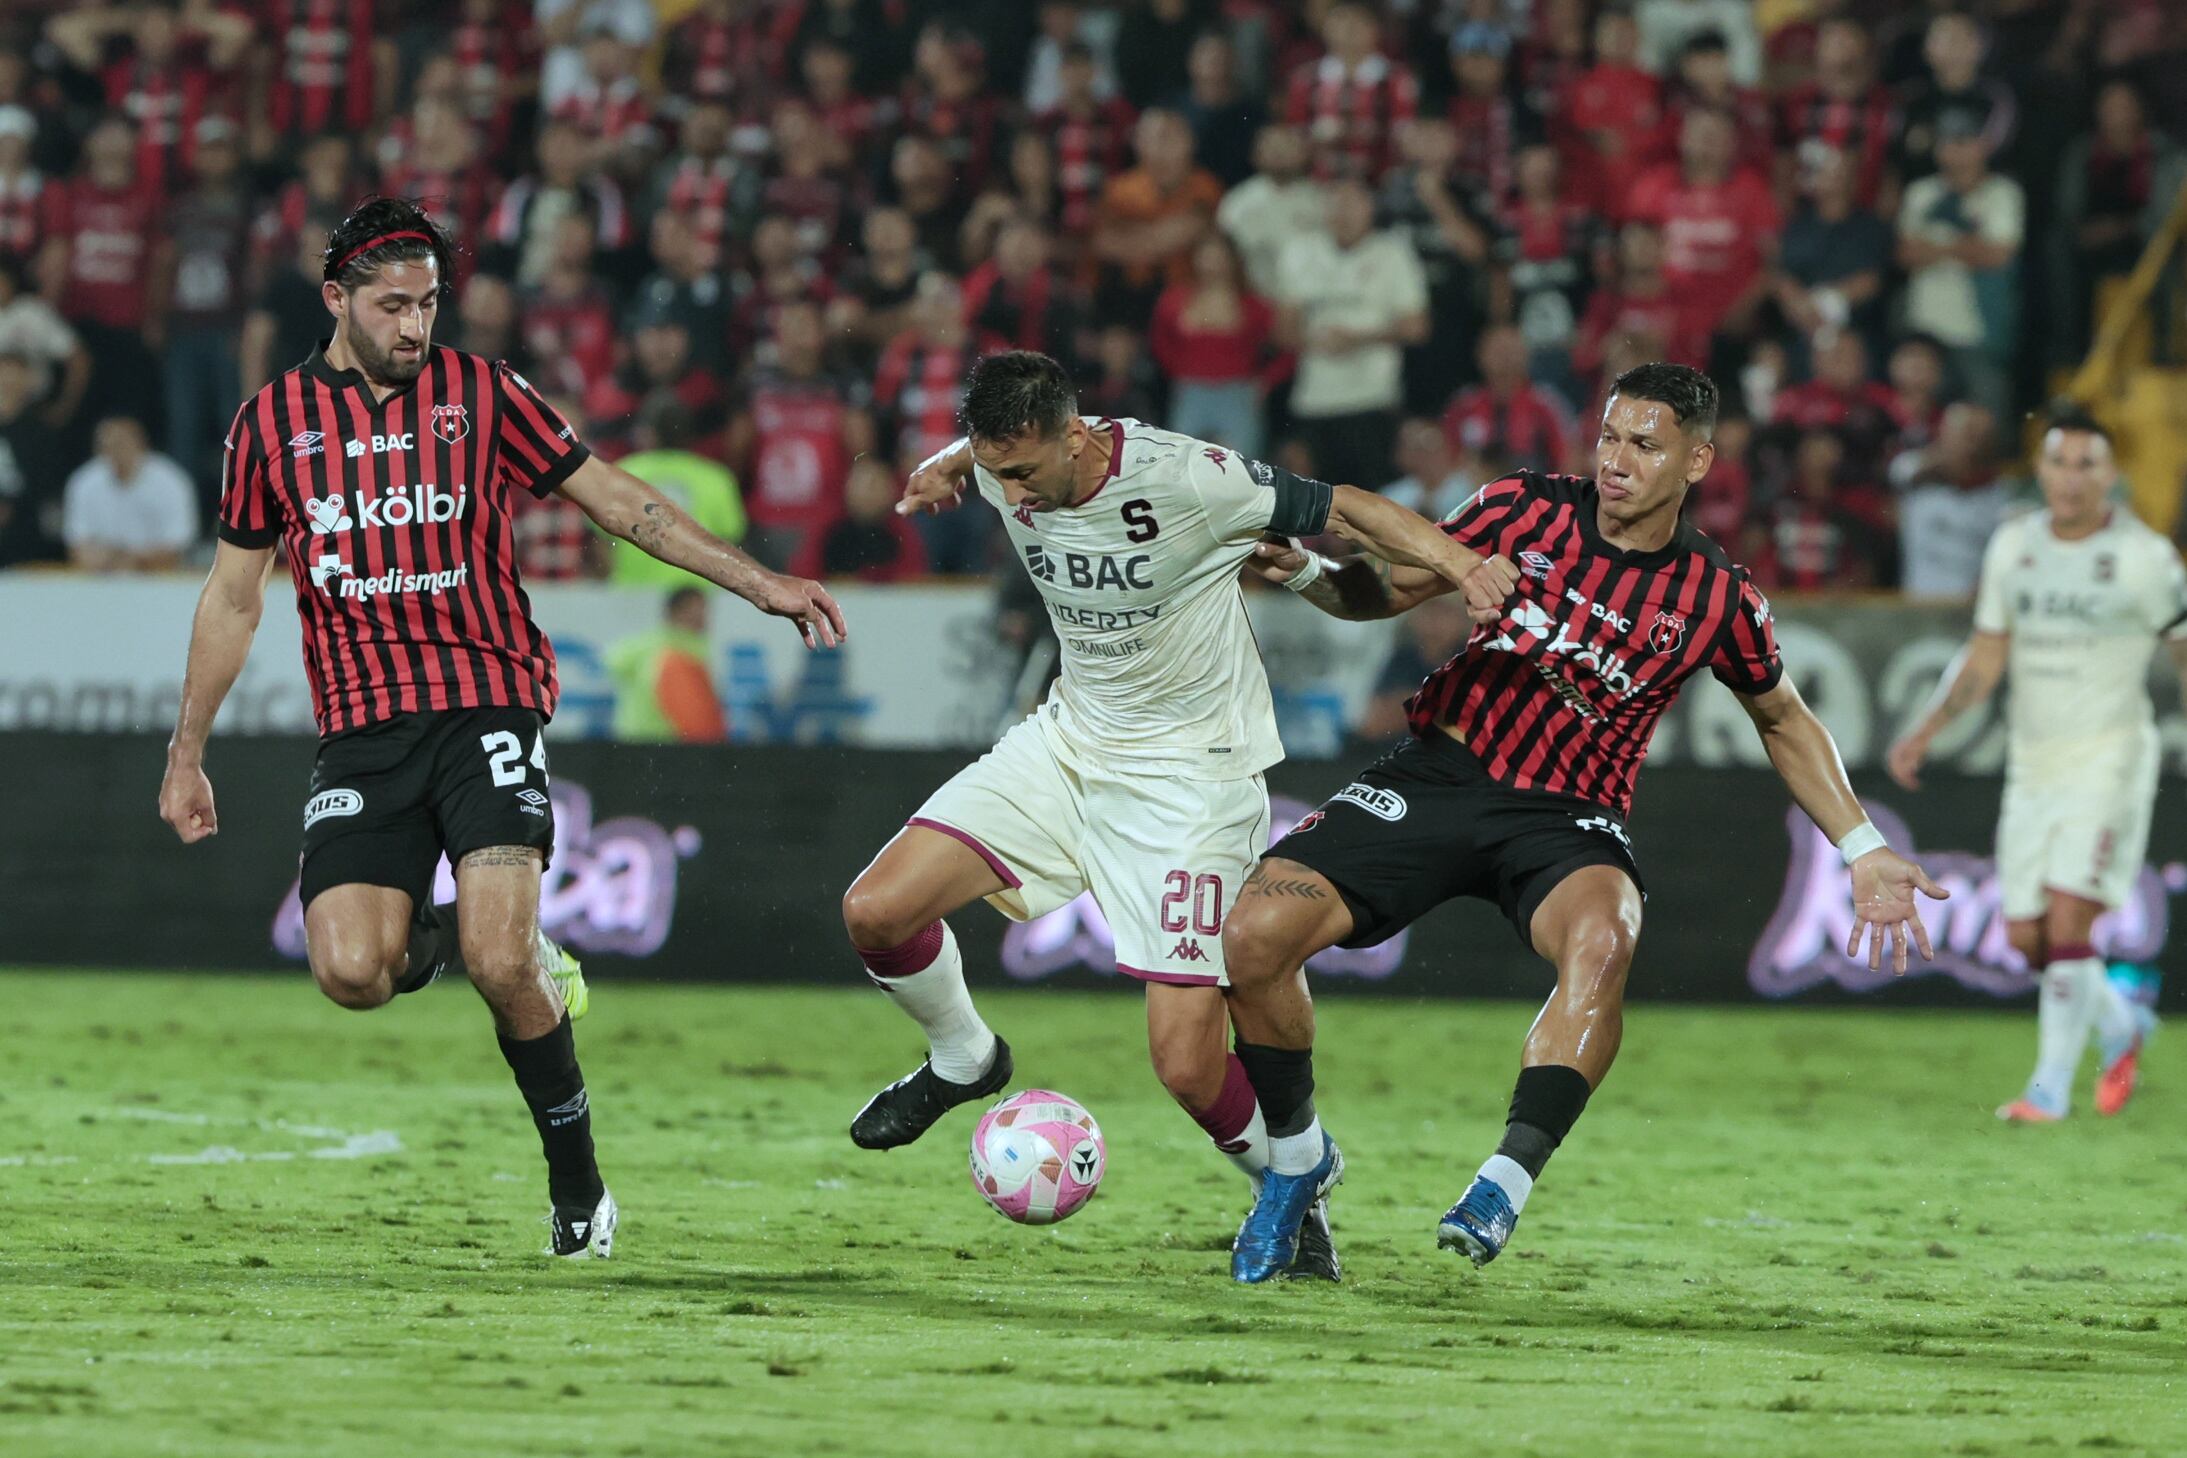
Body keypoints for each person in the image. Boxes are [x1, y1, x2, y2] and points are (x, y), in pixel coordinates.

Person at [156, 199, 844, 1260]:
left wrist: (760, 583)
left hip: (487, 701)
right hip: (361, 731)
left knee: (497, 959)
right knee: (350, 970)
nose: (415, 326)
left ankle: (579, 1195)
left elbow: (621, 502)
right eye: (392, 305)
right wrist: (187, 750)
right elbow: (235, 595)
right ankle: (494, 946)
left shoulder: (482, 393)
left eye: (429, 303)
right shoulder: (271, 424)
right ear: (336, 299)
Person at [1221, 363, 1946, 1280]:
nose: (1615, 461)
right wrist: (1309, 573)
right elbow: (1386, 591)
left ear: (1696, 461)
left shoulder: (1717, 597)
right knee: (1250, 938)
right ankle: (1294, 1167)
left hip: (1569, 816)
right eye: (1608, 437)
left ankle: (1503, 1180)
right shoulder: (1521, 509)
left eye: (1644, 446)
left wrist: (1865, 847)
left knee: (1604, 941)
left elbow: (1783, 719)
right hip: (1437, 772)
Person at [839, 349, 1511, 1284]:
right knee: (875, 911)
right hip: (1068, 743)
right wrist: (952, 463)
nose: (1013, 492)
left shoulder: (1193, 479)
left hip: (1190, 780)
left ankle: (1294, 1177)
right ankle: (963, 1057)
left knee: (1187, 1068)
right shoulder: (1002, 469)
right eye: (996, 471)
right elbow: (985, 456)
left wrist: (1459, 563)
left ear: (1075, 437)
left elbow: (1350, 505)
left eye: (1023, 470)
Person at [1888, 411, 2185, 1122]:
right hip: (2033, 766)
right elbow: (1986, 651)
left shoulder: (2144, 557)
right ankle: (2120, 1023)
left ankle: (2047, 1089)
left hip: (2110, 757)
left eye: (2088, 464)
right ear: (2041, 470)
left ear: (2109, 476)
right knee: (2026, 940)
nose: (2072, 478)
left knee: (2067, 922)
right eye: (2060, 462)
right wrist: (1926, 728)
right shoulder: (2014, 545)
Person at [63, 416, 197, 573]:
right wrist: (110, 560)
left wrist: (134, 559)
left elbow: (177, 548)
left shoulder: (171, 482)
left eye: (120, 445)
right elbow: (76, 546)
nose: (115, 453)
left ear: (141, 445)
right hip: (101, 578)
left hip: (158, 578)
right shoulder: (84, 482)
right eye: (106, 447)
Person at [609, 587, 730, 744]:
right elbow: (695, 718)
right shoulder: (683, 653)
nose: (703, 618)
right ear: (676, 612)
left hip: (631, 738)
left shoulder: (642, 647)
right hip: (667, 743)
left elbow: (613, 662)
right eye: (696, 611)